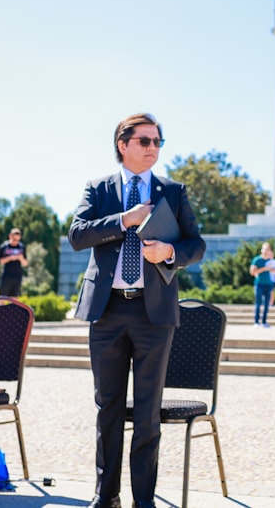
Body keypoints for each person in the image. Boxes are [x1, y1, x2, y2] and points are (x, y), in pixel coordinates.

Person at [68, 113, 206, 508]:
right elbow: (77, 235)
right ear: (122, 144)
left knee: (147, 413)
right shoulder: (99, 188)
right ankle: (106, 495)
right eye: (145, 141)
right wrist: (122, 221)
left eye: (158, 142)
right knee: (107, 408)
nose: (153, 149)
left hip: (154, 315)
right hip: (107, 312)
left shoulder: (173, 191)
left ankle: (143, 501)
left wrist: (170, 254)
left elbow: (196, 245)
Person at [249, 242, 275, 328]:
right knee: (258, 303)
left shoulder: (271, 261)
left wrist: (272, 268)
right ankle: (256, 321)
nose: (266, 251)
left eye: (268, 249)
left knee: (266, 304)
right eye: (264, 249)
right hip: (259, 284)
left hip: (268, 284)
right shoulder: (257, 260)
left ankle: (264, 321)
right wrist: (264, 269)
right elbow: (252, 272)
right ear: (261, 250)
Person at [0, 228, 28, 297]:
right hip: (7, 274)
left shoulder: (22, 247)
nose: (16, 241)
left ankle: (13, 308)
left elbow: (25, 264)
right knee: (2, 296)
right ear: (10, 236)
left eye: (17, 239)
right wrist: (10, 258)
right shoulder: (4, 247)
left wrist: (20, 258)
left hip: (17, 275)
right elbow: (0, 261)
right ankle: (1, 308)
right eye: (14, 239)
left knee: (15, 297)